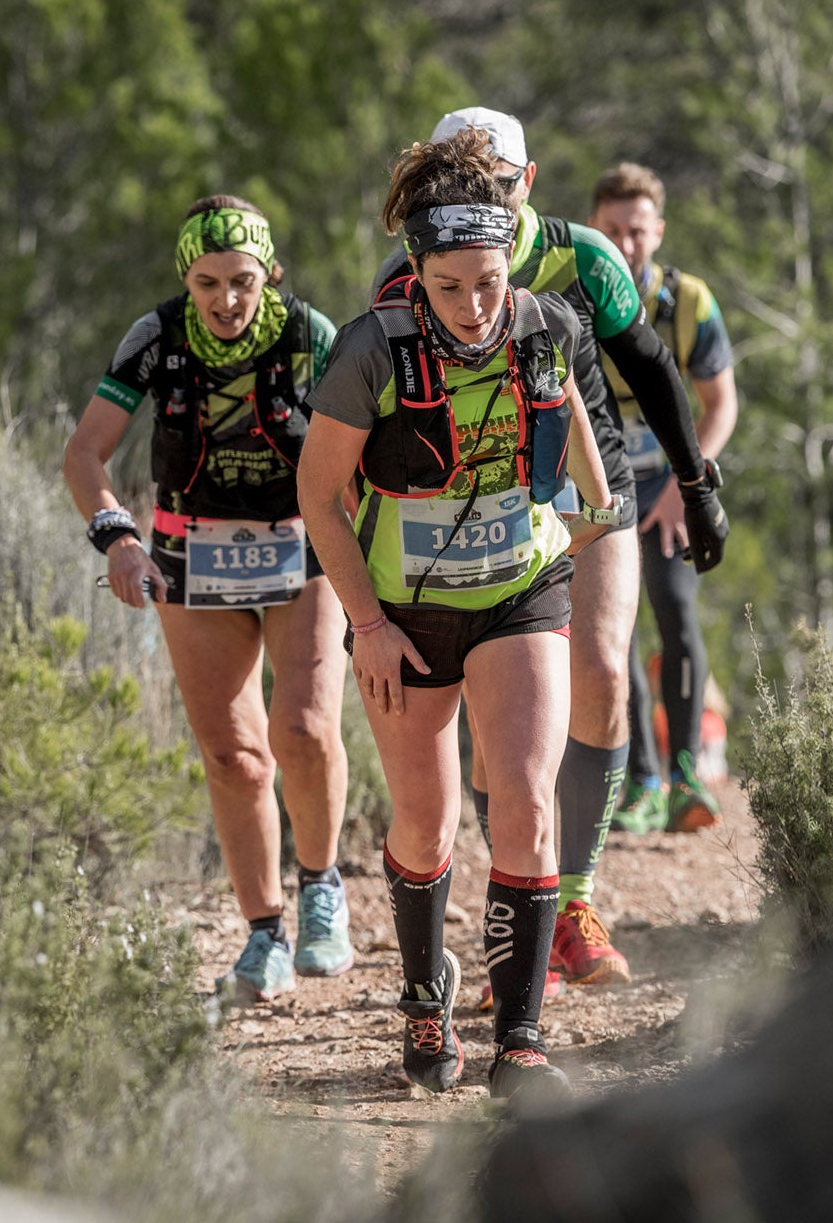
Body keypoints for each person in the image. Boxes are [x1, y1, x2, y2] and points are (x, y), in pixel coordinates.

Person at [372, 108, 729, 993]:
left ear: (526, 182)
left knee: (605, 673)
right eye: (466, 178)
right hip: (476, 508)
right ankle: (516, 913)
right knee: (501, 741)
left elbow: (651, 369)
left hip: (588, 483)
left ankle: (575, 900)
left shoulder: (583, 256)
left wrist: (697, 485)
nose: (483, 197)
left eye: (499, 182)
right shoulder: (410, 270)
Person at [300, 127, 619, 1101]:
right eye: (449, 288)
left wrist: (568, 537)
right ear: (415, 272)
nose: (474, 308)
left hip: (517, 595)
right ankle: (421, 1001)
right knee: (427, 823)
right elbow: (319, 499)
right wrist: (366, 624)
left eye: (488, 283)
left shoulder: (543, 328)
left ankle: (518, 1043)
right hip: (401, 610)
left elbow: (586, 480)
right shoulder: (369, 353)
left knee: (524, 798)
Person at [63, 196, 352, 1006]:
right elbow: (85, 452)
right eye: (207, 283)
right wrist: (118, 538)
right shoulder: (156, 338)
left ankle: (323, 883)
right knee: (233, 756)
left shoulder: (310, 335)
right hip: (193, 548)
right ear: (185, 281)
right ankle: (263, 932)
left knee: (303, 727)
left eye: (243, 280)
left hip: (301, 542)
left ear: (272, 275)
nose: (226, 300)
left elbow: (370, 442)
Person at [589, 164, 740, 835]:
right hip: (602, 487)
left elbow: (720, 403)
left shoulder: (691, 302)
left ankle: (684, 776)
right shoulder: (575, 296)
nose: (625, 245)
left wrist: (690, 484)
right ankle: (642, 779)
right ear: (594, 228)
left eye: (638, 231)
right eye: (613, 231)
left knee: (676, 611)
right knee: (610, 629)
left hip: (672, 484)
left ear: (660, 231)